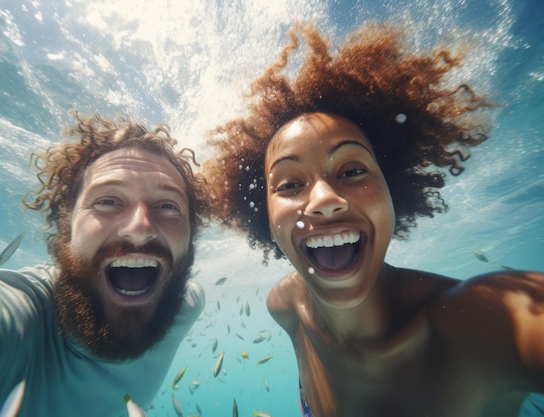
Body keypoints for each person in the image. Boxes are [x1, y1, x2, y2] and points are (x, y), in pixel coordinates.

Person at [203, 22, 544, 417]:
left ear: (392, 189)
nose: (325, 199)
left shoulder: (488, 321)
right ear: (265, 216)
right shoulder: (284, 305)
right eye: (289, 183)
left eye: (352, 171)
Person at [0, 112, 211, 417]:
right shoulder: (13, 318)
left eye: (167, 205)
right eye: (107, 201)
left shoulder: (187, 302)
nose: (140, 227)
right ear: (66, 228)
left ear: (192, 237)